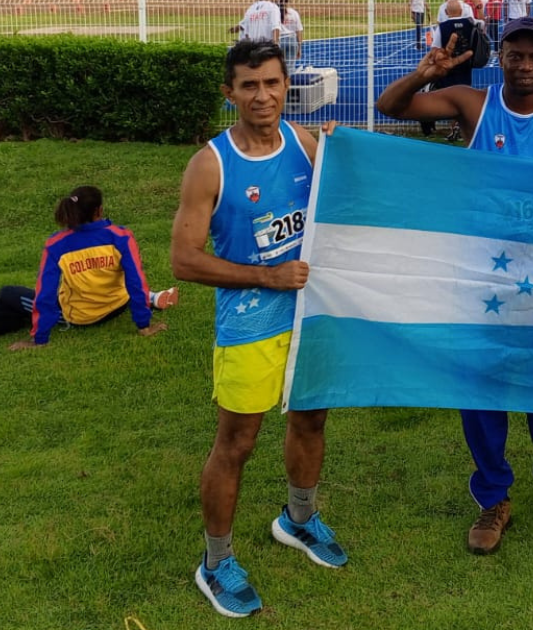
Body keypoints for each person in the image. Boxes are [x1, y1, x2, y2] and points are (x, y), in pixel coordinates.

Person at [376, 16, 533, 556]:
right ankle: (493, 497)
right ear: (500, 58)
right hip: (483, 273)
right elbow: (390, 107)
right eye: (515, 55)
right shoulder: (473, 104)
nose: (526, 65)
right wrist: (423, 75)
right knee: (482, 385)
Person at [172, 40, 346, 618]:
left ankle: (299, 519)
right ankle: (216, 562)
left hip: (309, 314)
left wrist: (344, 154)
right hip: (250, 323)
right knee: (237, 443)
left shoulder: (305, 143)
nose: (263, 96)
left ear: (286, 86)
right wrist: (266, 276)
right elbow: (183, 260)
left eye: (272, 83)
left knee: (311, 419)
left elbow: (343, 202)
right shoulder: (210, 164)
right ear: (230, 94)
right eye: (249, 86)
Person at [6, 186, 176, 351]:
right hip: (119, 306)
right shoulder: (121, 236)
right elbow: (136, 282)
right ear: (99, 211)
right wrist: (144, 326)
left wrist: (40, 339)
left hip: (81, 317)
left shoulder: (56, 244)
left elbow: (46, 293)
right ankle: (153, 298)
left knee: (8, 293)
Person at [428, 0, 478, 140]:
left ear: (446, 12)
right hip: (465, 65)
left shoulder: (443, 27)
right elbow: (481, 27)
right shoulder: (470, 24)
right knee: (465, 95)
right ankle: (461, 127)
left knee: (449, 96)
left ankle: (453, 126)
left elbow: (435, 48)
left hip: (448, 67)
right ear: (462, 11)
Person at [278, 0, 303, 71]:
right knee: (290, 67)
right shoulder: (294, 13)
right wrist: (299, 47)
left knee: (278, 67)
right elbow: (299, 31)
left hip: (280, 39)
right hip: (292, 40)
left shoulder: (275, 13)